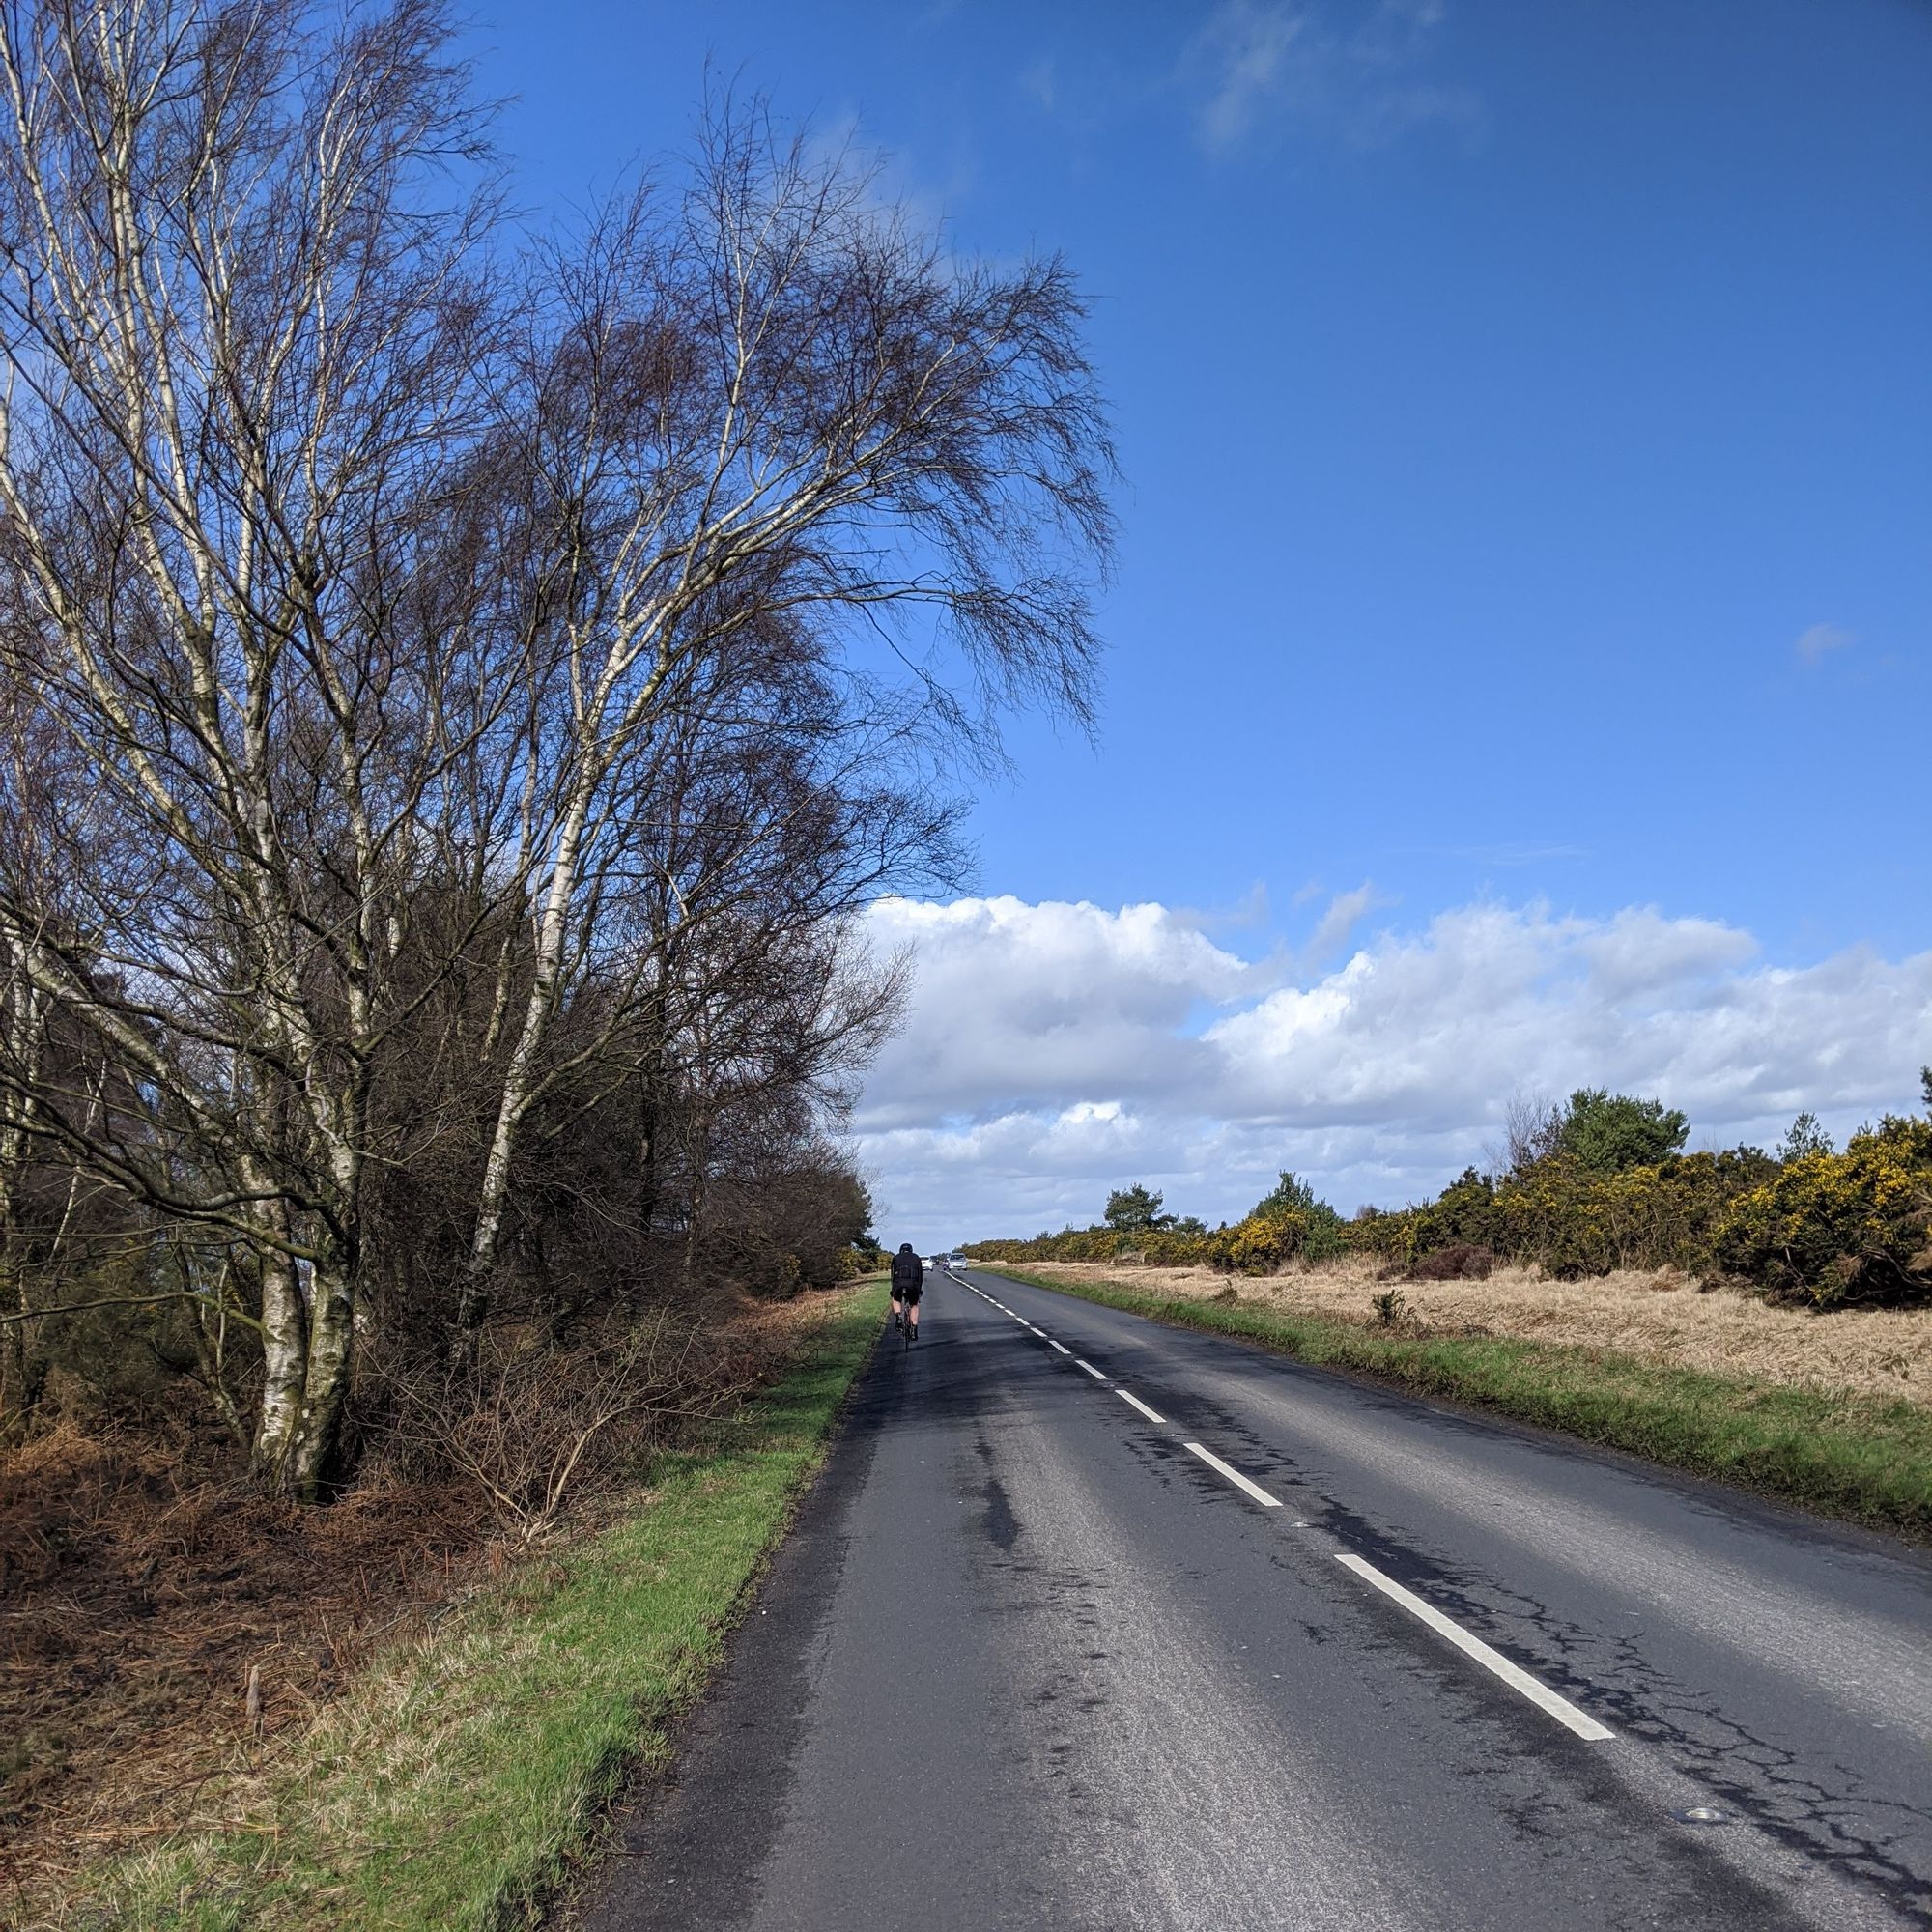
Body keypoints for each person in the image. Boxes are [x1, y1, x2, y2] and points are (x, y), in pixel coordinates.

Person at [890, 1240, 923, 1342]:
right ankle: (913, 1332)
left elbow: (892, 1276)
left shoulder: (896, 1258)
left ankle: (899, 1317)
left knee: (896, 1299)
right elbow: (920, 1276)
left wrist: (893, 1289)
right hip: (912, 1284)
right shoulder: (916, 1258)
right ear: (911, 1251)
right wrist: (919, 1290)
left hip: (899, 1283)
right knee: (914, 1305)